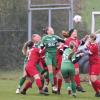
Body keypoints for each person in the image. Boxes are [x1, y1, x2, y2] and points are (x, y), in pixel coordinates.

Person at [41, 26, 65, 93]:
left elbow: (64, 41)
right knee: (50, 71)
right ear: (48, 31)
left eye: (52, 29)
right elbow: (41, 47)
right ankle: (53, 86)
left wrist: (66, 37)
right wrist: (42, 46)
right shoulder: (45, 38)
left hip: (54, 56)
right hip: (48, 55)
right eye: (51, 29)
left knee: (53, 73)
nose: (52, 30)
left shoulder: (56, 37)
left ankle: (48, 85)